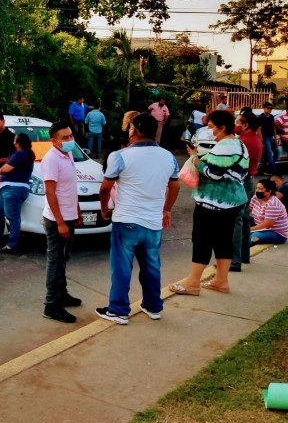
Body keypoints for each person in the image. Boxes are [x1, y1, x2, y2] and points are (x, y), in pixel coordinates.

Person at [96, 113, 179, 325]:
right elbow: (175, 186)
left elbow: (105, 188)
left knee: (122, 268)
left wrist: (104, 209)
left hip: (127, 221)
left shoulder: (120, 156)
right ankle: (153, 306)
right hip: (153, 222)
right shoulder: (168, 157)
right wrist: (166, 210)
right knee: (152, 266)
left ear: (133, 130)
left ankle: (118, 310)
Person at [169, 110, 248, 296]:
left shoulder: (226, 146)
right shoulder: (238, 144)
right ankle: (221, 281)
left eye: (212, 127)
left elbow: (213, 173)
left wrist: (196, 159)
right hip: (231, 201)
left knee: (202, 240)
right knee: (223, 240)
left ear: (222, 128)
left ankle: (192, 283)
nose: (210, 131)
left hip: (214, 202)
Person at [40, 121, 83, 323]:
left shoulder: (68, 154)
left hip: (70, 216)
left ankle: (62, 294)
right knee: (55, 261)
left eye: (71, 136)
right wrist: (61, 222)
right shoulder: (51, 160)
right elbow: (50, 192)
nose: (69, 140)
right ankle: (51, 305)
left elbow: (70, 188)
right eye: (65, 138)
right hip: (57, 220)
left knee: (63, 259)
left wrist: (77, 211)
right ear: (54, 140)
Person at [0, 133, 35, 254]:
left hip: (13, 189)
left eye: (15, 140)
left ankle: (12, 245)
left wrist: (0, 169)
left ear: (18, 143)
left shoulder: (20, 154)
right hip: (9, 188)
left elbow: (6, 169)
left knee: (12, 217)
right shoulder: (24, 154)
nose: (13, 142)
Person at [231, 110, 262, 272]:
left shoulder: (244, 142)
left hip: (242, 182)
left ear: (245, 125)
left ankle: (234, 260)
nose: (235, 125)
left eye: (238, 122)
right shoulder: (254, 139)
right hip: (249, 181)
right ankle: (243, 255)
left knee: (236, 221)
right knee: (243, 218)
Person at [248, 179, 288, 245]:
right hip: (259, 224)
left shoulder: (273, 204)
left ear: (269, 191)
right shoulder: (256, 197)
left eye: (260, 189)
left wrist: (249, 229)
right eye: (256, 188)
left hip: (275, 232)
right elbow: (248, 209)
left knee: (250, 238)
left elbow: (267, 225)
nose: (257, 190)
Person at [259, 102, 279, 175]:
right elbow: (259, 129)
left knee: (277, 152)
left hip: (271, 137)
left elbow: (273, 127)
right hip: (265, 136)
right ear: (264, 108)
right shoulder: (261, 117)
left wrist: (275, 138)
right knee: (269, 153)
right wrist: (261, 140)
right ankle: (273, 170)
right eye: (268, 108)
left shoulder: (271, 117)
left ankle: (270, 166)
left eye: (271, 108)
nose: (269, 110)